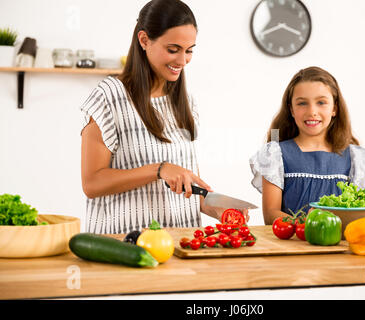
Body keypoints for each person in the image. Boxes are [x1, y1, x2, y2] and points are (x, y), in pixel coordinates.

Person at [80, 0, 248, 234]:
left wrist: (216, 208)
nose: (182, 61)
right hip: (125, 244)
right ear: (144, 40)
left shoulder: (186, 102)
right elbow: (92, 183)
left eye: (189, 50)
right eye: (173, 49)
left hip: (179, 244)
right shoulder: (109, 96)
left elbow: (185, 184)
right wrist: (158, 169)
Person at [249, 66, 365, 225]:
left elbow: (355, 216)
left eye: (321, 102)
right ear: (291, 109)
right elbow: (271, 215)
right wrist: (310, 225)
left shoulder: (355, 157)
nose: (312, 111)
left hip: (338, 247)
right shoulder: (275, 154)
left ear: (335, 108)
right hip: (291, 246)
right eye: (302, 103)